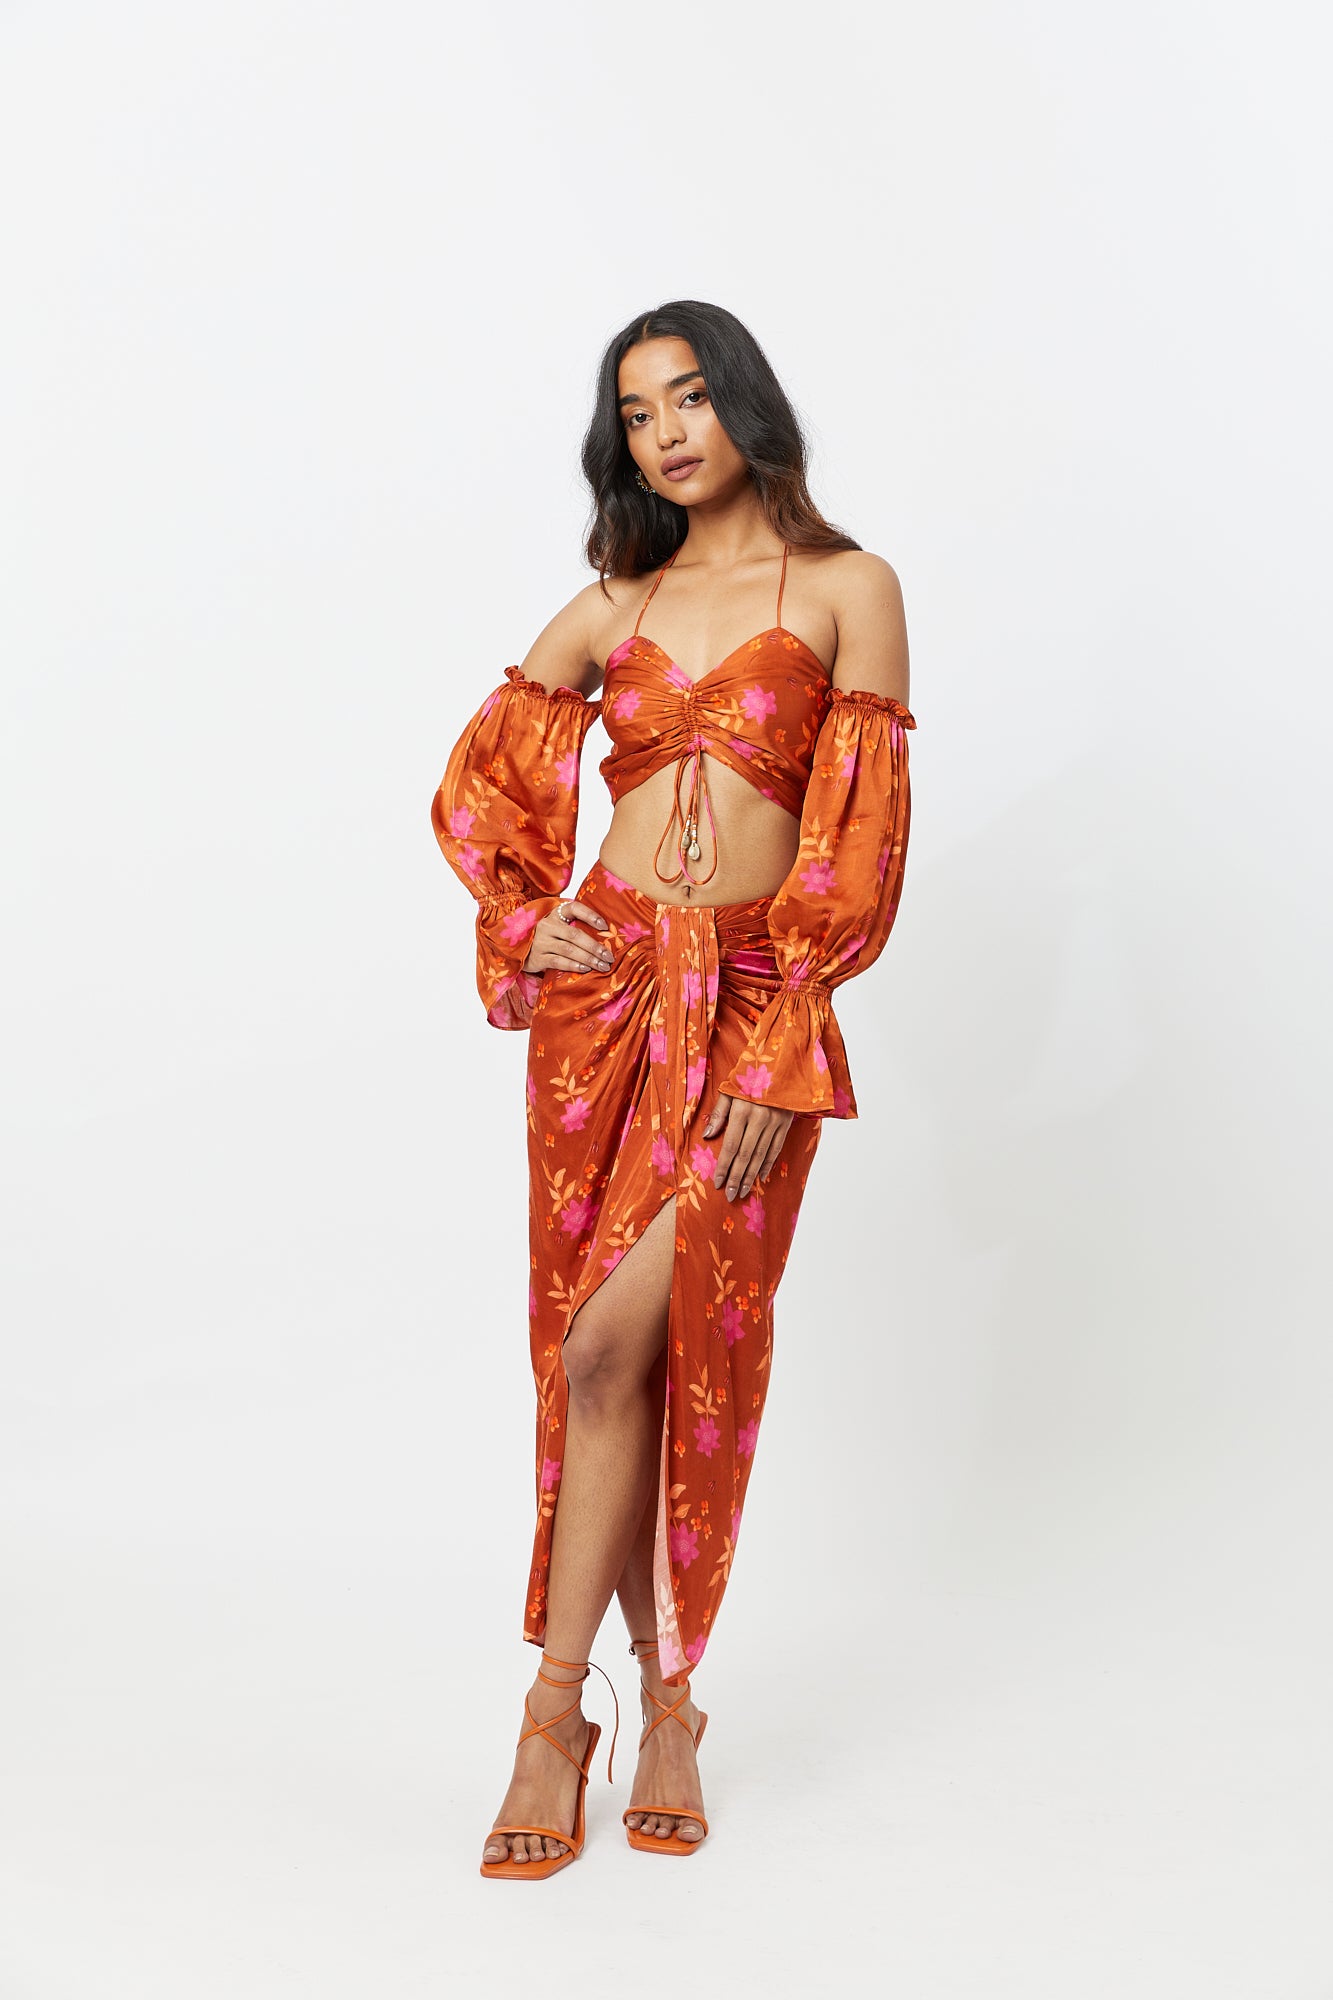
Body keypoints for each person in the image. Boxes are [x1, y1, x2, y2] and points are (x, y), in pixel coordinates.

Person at [431, 299, 917, 1878]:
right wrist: (527, 922)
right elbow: (481, 792)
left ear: (744, 403)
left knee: (651, 1339)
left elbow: (858, 841)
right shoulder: (614, 601)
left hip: (752, 1009)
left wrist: (785, 1038)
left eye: (689, 397)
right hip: (605, 1006)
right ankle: (633, 1711)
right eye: (636, 413)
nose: (664, 434)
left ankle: (565, 1712)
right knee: (598, 1365)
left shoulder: (846, 588)